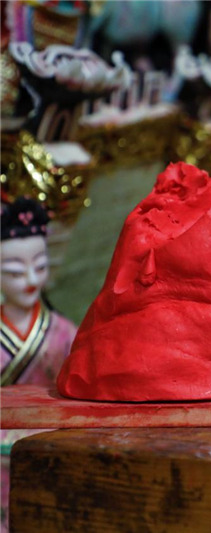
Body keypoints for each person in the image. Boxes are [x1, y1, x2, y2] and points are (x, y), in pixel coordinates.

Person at [1, 196, 77, 532]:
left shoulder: (64, 332)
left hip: (48, 445)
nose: (31, 279)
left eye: (41, 266)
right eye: (15, 272)